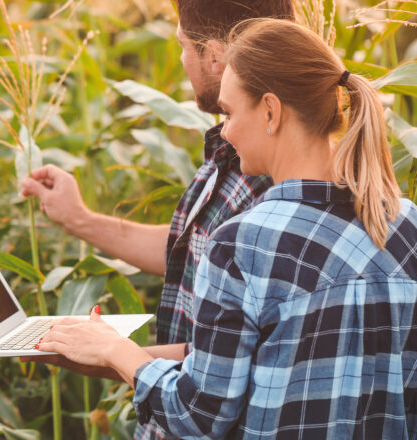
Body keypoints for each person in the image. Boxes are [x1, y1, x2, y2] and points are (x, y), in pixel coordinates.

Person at [36, 18, 417, 439]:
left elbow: (197, 416)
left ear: (271, 111)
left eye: (229, 112)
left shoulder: (242, 244)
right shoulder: (406, 224)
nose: (226, 131)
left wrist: (115, 349)